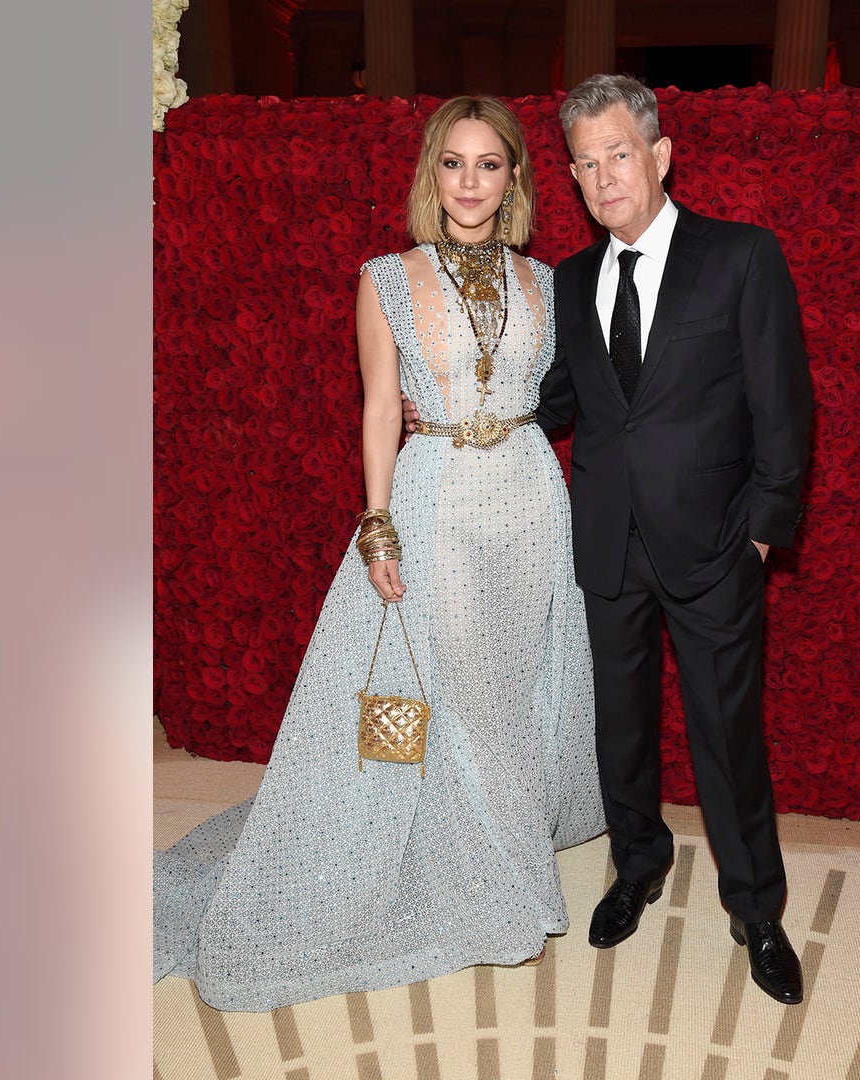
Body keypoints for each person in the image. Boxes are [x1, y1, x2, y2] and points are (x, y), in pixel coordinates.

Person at [154, 96, 604, 1012]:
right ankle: (505, 894)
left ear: (516, 178)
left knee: (510, 695)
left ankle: (497, 861)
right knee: (468, 699)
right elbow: (375, 408)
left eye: (490, 164)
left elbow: (563, 398)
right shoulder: (386, 279)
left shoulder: (548, 282)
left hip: (528, 498)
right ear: (429, 174)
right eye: (454, 162)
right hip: (437, 496)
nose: (471, 182)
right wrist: (377, 520)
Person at [411, 74, 815, 1003]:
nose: (603, 179)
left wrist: (762, 535)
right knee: (619, 729)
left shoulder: (742, 258)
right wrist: (456, 415)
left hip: (715, 545)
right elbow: (553, 401)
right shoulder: (569, 282)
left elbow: (783, 409)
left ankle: (757, 910)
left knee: (726, 735)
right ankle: (637, 864)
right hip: (604, 545)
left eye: (618, 155)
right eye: (585, 164)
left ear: (661, 157)